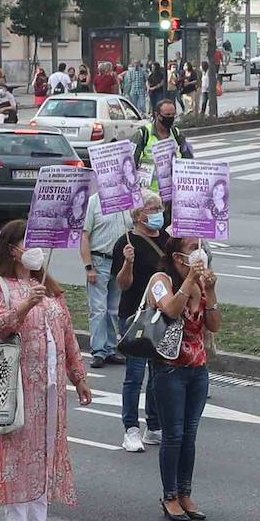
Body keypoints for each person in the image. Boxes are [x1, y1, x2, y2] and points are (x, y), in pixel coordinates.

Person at [0, 220, 92, 521]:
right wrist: (26, 304)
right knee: (17, 456)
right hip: (16, 387)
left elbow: (67, 334)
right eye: (30, 243)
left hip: (51, 389)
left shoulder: (48, 286)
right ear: (13, 249)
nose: (36, 250)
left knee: (45, 453)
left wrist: (78, 375)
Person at [145, 237, 218, 521]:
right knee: (173, 435)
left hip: (198, 370)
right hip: (169, 369)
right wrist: (189, 280)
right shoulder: (160, 280)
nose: (200, 252)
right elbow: (171, 310)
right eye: (192, 248)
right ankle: (170, 496)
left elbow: (213, 325)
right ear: (178, 256)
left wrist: (210, 292)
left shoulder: (201, 283)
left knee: (190, 435)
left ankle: (186, 493)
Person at [111, 191, 167, 452]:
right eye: (151, 207)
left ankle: (153, 426)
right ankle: (130, 428)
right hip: (134, 315)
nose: (157, 211)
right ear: (138, 214)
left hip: (162, 315)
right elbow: (123, 284)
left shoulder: (167, 240)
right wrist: (128, 263)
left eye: (159, 207)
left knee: (159, 373)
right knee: (135, 375)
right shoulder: (126, 242)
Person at [81, 191, 132, 368]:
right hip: (99, 260)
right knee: (99, 309)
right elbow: (84, 236)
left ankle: (111, 348)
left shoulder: (125, 201)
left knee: (113, 309)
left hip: (119, 262)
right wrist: (89, 266)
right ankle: (98, 351)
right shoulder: (94, 202)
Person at [132, 100, 192, 217]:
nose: (171, 118)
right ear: (157, 115)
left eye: (173, 115)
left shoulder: (177, 134)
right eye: (167, 115)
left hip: (172, 198)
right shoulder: (143, 135)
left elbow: (188, 162)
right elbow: (130, 165)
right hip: (149, 199)